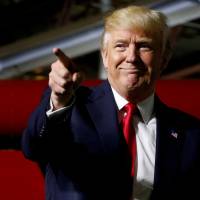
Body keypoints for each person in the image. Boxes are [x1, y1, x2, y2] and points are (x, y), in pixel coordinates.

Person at [22, 5, 200, 200]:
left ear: (164, 59)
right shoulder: (69, 107)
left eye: (144, 46)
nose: (131, 57)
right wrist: (58, 101)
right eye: (120, 46)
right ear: (105, 56)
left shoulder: (190, 134)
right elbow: (33, 147)